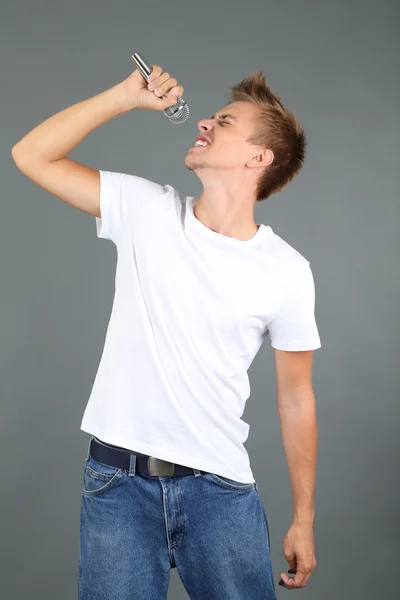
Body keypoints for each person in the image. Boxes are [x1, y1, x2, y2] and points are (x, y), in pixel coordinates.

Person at [12, 61, 321, 599]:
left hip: (220, 492)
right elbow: (29, 155)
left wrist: (304, 518)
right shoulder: (147, 210)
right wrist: (122, 97)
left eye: (224, 122)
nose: (203, 122)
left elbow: (296, 399)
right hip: (117, 486)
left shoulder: (288, 271)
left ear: (259, 157)